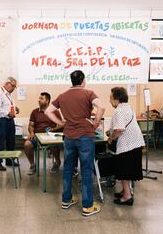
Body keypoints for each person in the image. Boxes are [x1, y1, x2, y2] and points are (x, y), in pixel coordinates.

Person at [45, 70, 105, 217]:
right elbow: (102, 107)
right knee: (86, 170)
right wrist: (95, 123)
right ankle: (87, 206)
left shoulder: (62, 96)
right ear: (83, 80)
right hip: (85, 136)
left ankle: (66, 200)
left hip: (69, 137)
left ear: (72, 81)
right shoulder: (88, 93)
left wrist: (62, 123)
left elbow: (48, 111)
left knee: (68, 169)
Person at [107, 87, 145, 206]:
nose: (109, 101)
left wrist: (111, 137)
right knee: (128, 170)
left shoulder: (119, 110)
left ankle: (127, 197)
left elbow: (119, 130)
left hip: (127, 145)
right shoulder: (128, 107)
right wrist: (111, 131)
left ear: (117, 99)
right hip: (136, 143)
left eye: (111, 98)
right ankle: (126, 191)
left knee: (124, 170)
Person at [24, 92, 63, 175]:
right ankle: (32, 165)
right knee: (27, 144)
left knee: (54, 144)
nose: (39, 100)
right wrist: (31, 133)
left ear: (47, 101)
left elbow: (61, 125)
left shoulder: (55, 112)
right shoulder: (34, 112)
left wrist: (53, 129)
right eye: (39, 98)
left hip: (50, 137)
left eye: (41, 99)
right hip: (37, 137)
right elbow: (31, 125)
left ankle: (57, 162)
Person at [0, 77, 20, 171]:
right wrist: (8, 113)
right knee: (1, 141)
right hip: (0, 121)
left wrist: (15, 107)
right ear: (7, 84)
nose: (14, 88)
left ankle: (9, 160)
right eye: (13, 86)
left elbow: (7, 105)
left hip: (9, 120)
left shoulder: (9, 94)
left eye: (15, 87)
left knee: (11, 140)